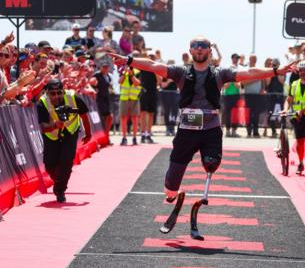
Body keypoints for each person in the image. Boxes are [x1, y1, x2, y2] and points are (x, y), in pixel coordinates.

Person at [109, 35, 293, 200]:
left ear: (209, 50)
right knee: (171, 189)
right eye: (195, 45)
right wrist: (128, 60)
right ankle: (172, 190)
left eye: (203, 45)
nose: (199, 48)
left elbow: (250, 72)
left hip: (211, 130)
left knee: (211, 163)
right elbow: (152, 65)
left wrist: (276, 71)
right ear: (190, 50)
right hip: (187, 130)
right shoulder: (180, 72)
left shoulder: (221, 73)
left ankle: (206, 167)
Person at [37, 79, 92, 203]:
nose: (56, 96)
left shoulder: (74, 98)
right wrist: (55, 126)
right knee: (50, 164)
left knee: (66, 161)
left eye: (59, 92)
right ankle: (59, 179)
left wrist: (88, 134)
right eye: (53, 93)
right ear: (47, 93)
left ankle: (60, 190)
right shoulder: (42, 103)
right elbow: (43, 128)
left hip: (71, 131)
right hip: (52, 134)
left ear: (63, 91)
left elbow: (84, 115)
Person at [119, 65, 141, 146]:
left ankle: (134, 138)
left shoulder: (138, 72)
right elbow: (120, 81)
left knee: (135, 118)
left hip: (134, 98)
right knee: (123, 118)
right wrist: (125, 73)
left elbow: (137, 83)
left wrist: (131, 74)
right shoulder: (123, 72)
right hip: (124, 98)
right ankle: (124, 138)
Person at [93, 62, 114, 144]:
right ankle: (103, 139)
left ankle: (106, 137)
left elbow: (109, 86)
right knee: (102, 119)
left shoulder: (108, 76)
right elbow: (93, 84)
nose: (105, 68)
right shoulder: (97, 75)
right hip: (99, 100)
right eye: (103, 67)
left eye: (106, 67)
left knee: (108, 118)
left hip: (107, 99)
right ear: (100, 67)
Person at [139, 53, 158, 144]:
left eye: (152, 58)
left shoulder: (157, 69)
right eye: (149, 58)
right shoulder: (143, 68)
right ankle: (143, 133)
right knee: (143, 113)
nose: (151, 60)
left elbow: (160, 81)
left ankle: (148, 133)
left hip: (153, 92)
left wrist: (155, 71)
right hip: (144, 92)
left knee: (151, 113)